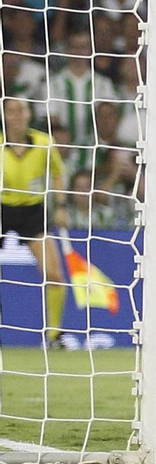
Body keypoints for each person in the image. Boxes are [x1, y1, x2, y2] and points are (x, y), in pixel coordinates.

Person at [1, 97, 67, 346]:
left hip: (32, 209)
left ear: (29, 114)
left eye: (21, 110)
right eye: (11, 110)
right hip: (1, 206)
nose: (17, 115)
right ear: (5, 115)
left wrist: (60, 205)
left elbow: (58, 173)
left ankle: (54, 334)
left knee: (53, 272)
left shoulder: (43, 143)